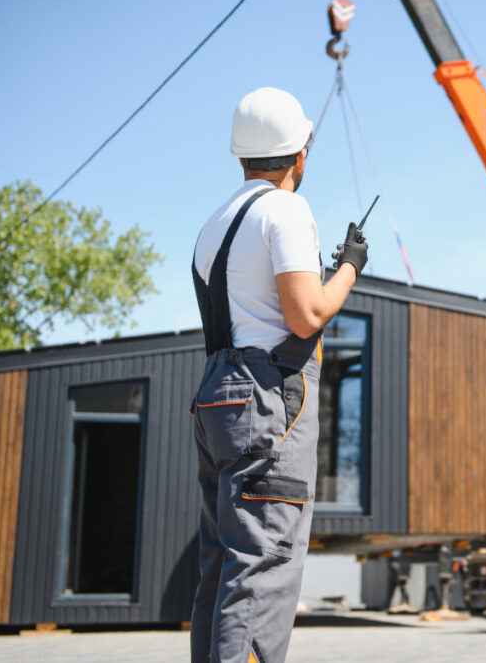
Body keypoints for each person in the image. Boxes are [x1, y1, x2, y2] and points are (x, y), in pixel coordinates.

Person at [190, 87, 368, 663]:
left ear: (239, 155)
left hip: (218, 394)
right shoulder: (286, 209)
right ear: (299, 154)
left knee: (224, 566)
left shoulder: (215, 222)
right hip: (269, 398)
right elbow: (307, 313)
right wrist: (348, 267)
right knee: (263, 562)